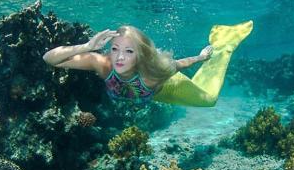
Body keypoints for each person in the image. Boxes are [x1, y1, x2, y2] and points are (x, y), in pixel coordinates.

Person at [43, 21, 253, 107]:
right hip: (151, 96)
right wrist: (86, 46)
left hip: (169, 89)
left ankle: (224, 45)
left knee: (210, 100)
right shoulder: (102, 63)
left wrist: (201, 58)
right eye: (115, 49)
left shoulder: (155, 71)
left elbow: (180, 64)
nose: (119, 58)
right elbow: (50, 59)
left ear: (140, 55)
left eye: (129, 51)